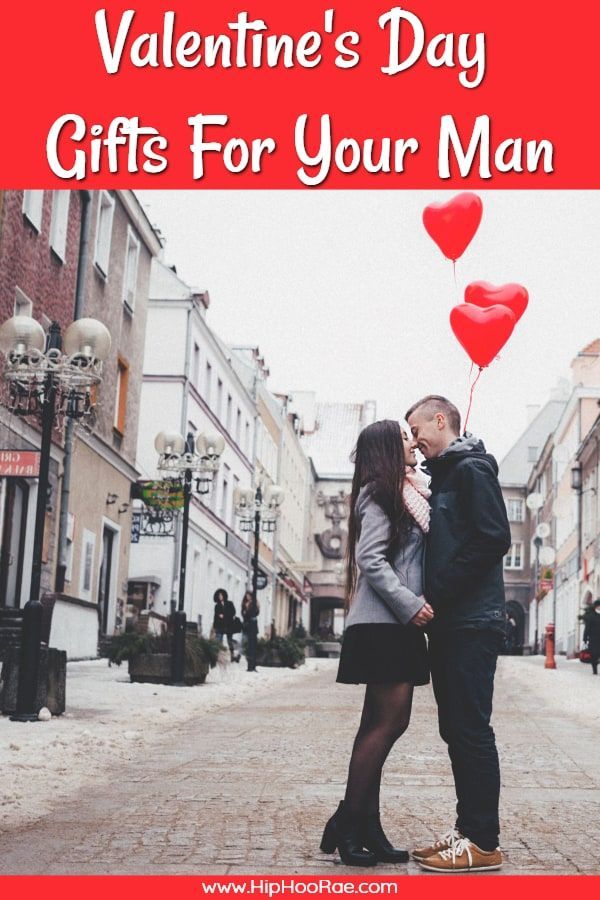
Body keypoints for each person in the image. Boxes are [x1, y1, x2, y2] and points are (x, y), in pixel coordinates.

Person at [321, 419, 434, 867]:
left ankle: (364, 822)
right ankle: (351, 822)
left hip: (395, 624)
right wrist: (410, 604)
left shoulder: (409, 492)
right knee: (387, 725)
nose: (413, 444)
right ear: (388, 447)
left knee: (379, 725)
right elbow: (370, 558)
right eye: (405, 439)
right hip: (385, 622)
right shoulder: (378, 493)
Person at [406, 395, 511, 873]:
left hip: (471, 621)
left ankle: (483, 841)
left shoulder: (471, 470)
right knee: (457, 730)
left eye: (417, 430)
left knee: (470, 730)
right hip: (453, 622)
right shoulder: (446, 475)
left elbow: (493, 537)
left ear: (441, 420)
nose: (414, 441)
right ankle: (467, 831)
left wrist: (439, 592)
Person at [212, 589, 239, 663]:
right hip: (219, 626)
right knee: (218, 641)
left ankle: (232, 655)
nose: (220, 597)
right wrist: (214, 627)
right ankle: (215, 657)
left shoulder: (230, 603)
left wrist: (224, 615)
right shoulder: (217, 605)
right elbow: (216, 616)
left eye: (221, 595)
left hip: (228, 625)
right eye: (219, 595)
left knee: (229, 641)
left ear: (224, 595)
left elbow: (233, 612)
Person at [241, 589, 259, 672]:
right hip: (246, 625)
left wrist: (247, 611)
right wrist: (245, 611)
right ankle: (245, 658)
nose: (247, 597)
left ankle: (252, 665)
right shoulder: (244, 603)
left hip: (252, 626)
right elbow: (243, 613)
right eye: (246, 595)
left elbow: (255, 612)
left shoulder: (254, 603)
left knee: (252, 645)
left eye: (249, 595)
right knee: (244, 641)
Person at [583, 599, 600, 675]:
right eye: (598, 606)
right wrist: (585, 638)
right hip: (594, 639)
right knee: (594, 655)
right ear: (596, 607)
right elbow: (587, 628)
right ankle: (595, 669)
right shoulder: (591, 616)